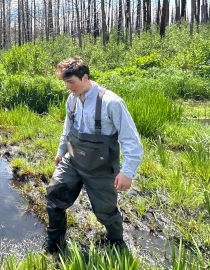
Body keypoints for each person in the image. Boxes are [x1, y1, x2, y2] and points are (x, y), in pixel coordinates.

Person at [44, 56, 143, 253]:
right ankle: (55, 244)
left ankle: (116, 245)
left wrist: (127, 172)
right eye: (65, 83)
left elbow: (131, 141)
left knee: (106, 212)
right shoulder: (71, 99)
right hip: (73, 161)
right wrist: (61, 151)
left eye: (71, 82)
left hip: (101, 168)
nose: (67, 87)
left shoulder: (111, 102)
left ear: (85, 77)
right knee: (54, 196)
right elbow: (68, 128)